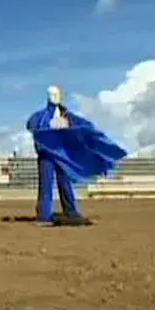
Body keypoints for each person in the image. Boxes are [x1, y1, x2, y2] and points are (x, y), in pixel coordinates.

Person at [26, 85, 127, 225]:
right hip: (47, 154)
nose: (54, 97)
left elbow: (84, 128)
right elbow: (32, 126)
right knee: (46, 184)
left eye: (56, 94)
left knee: (64, 182)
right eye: (52, 94)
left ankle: (70, 211)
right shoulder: (40, 116)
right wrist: (49, 126)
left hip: (62, 154)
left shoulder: (67, 116)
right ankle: (44, 214)